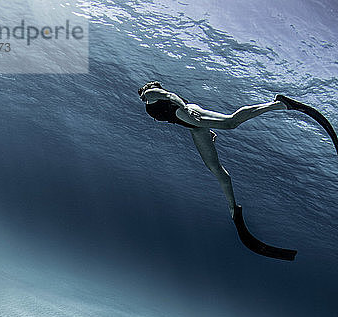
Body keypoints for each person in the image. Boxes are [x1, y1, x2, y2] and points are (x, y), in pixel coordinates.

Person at [138, 81, 338, 260]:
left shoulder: (149, 94)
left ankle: (280, 103)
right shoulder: (150, 99)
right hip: (192, 125)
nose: (142, 94)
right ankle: (234, 209)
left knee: (231, 122)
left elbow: (170, 96)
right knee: (215, 168)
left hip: (187, 113)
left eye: (144, 91)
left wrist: (185, 109)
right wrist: (206, 127)